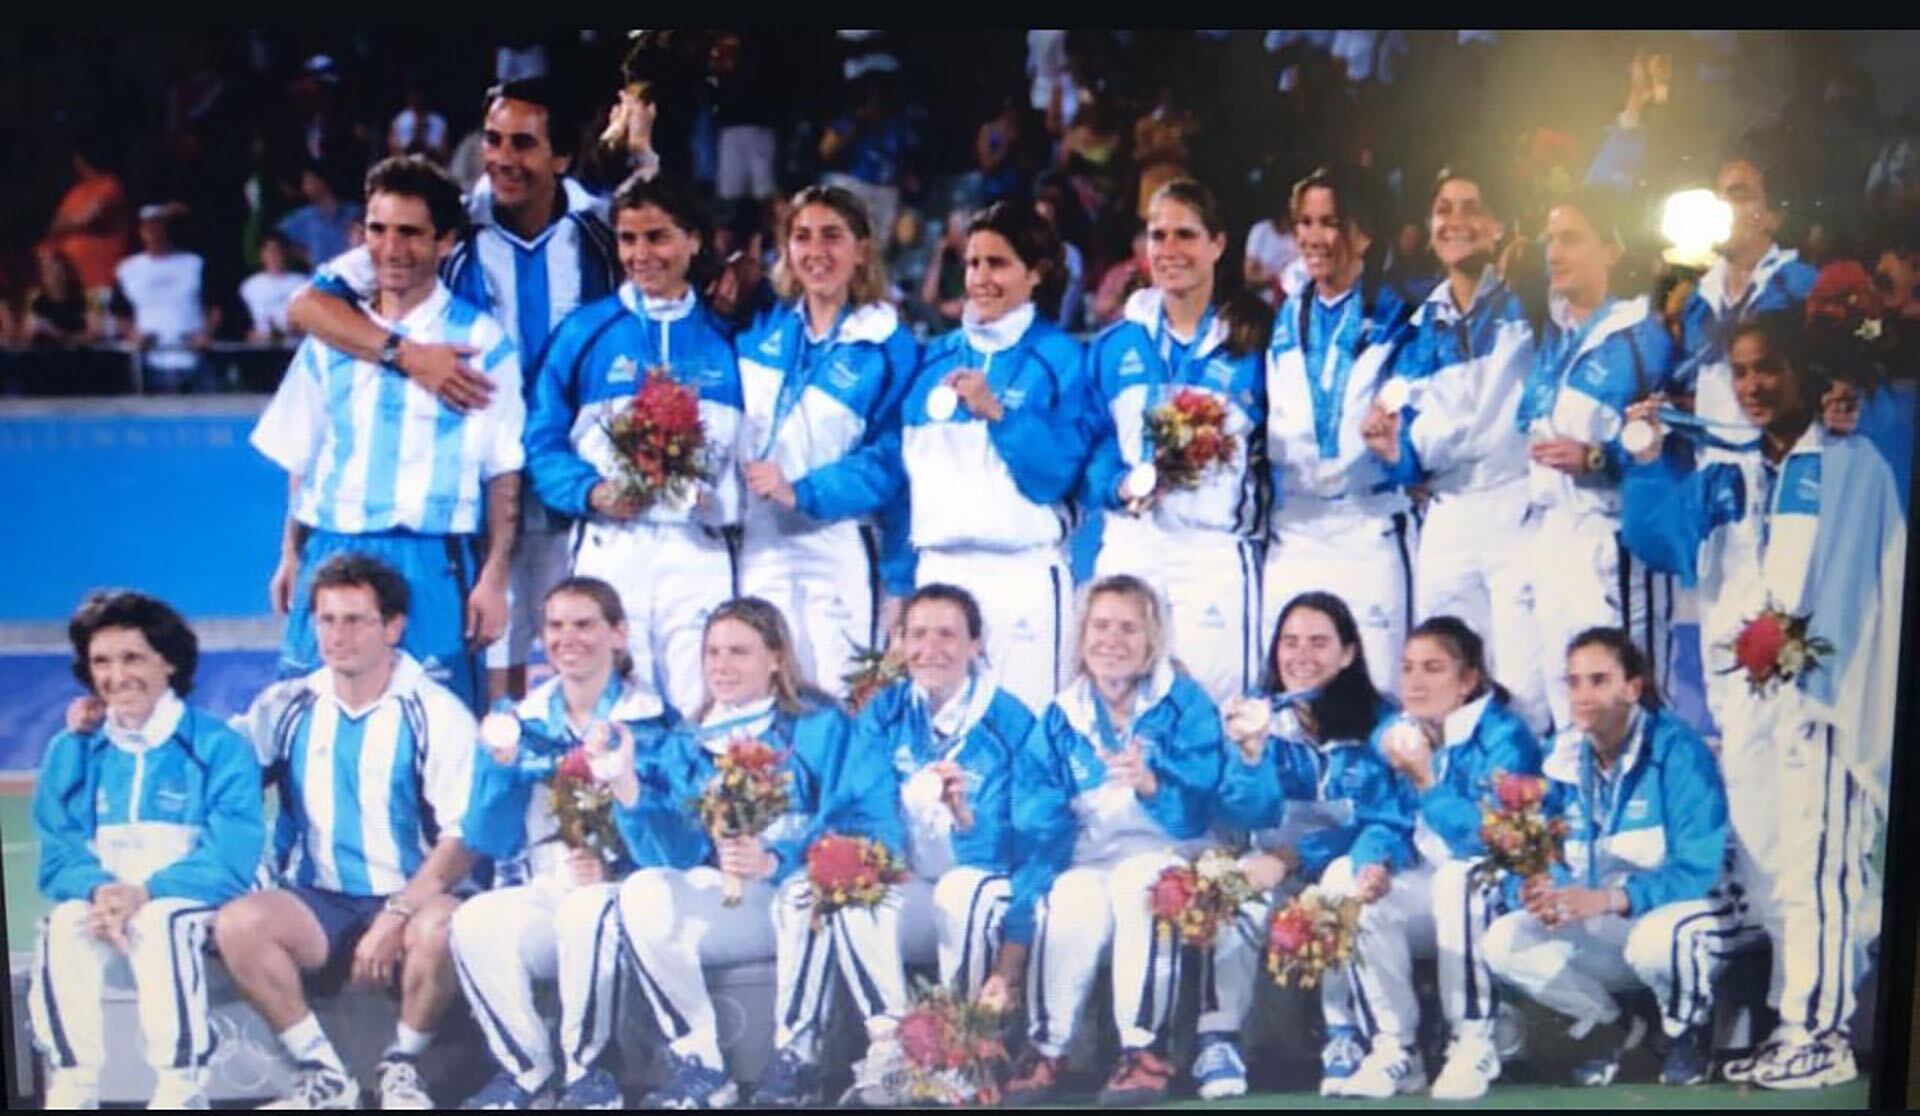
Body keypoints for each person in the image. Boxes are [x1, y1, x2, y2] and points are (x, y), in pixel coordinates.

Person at [1622, 314, 1902, 1090]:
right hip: (1745, 701)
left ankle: (1825, 1030)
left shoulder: (1852, 458)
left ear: (1807, 373)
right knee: (1776, 864)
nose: (1752, 387)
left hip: (1822, 696)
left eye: (1769, 369)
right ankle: (1792, 1020)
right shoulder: (1726, 468)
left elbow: (1870, 574)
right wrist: (1645, 458)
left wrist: (1859, 408)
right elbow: (1659, 543)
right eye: (1741, 372)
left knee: (1821, 866)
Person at [290, 78, 627, 709]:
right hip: (477, 487)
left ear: (560, 159)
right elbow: (307, 307)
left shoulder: (602, 234)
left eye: (523, 144)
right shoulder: (444, 227)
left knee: (586, 647)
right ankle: (496, 788)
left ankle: (582, 793)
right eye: (494, 140)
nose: (502, 158)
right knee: (493, 657)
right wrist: (407, 356)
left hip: (574, 481)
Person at [251, 155, 525, 713]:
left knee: (436, 736)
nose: (391, 248)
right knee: (309, 730)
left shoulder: (481, 341)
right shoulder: (333, 334)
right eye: (378, 229)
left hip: (431, 560)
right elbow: (305, 454)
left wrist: (494, 578)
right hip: (331, 549)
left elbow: (503, 474)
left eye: (409, 232)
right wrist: (290, 554)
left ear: (445, 243)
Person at [613, 598, 903, 1108]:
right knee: (641, 891)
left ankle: (797, 1060)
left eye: (739, 652)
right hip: (729, 902)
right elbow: (674, 853)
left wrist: (778, 859)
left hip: (795, 891)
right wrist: (627, 789)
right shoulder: (687, 740)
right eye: (713, 653)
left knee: (800, 891)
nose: (722, 666)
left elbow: (856, 819)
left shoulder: (819, 727)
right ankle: (698, 1063)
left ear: (776, 658)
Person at [217, 554, 480, 1109]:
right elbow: (211, 765)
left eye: (356, 620)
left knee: (444, 930)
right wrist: (119, 718)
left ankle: (401, 1067)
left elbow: (463, 840)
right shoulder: (287, 705)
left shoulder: (434, 711)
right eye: (327, 620)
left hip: (415, 897)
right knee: (240, 924)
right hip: (317, 900)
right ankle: (325, 1075)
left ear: (393, 627)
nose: (338, 635)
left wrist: (399, 912)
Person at [1482, 627, 1757, 1089]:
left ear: (1632, 687)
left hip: (1701, 910)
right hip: (1611, 917)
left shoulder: (1677, 751)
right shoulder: (1562, 757)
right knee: (1505, 941)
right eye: (1573, 682)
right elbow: (1535, 849)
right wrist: (1539, 888)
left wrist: (1610, 898)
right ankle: (1619, 1027)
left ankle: (1685, 1031)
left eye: (1598, 680)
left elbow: (1698, 868)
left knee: (1655, 940)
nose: (1582, 695)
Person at [449, 577, 682, 1108]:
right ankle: (525, 1070)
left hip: (629, 898)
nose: (567, 638)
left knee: (590, 910)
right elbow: (490, 836)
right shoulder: (519, 724)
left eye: (584, 625)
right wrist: (499, 772)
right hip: (549, 890)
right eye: (555, 626)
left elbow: (676, 844)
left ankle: (589, 1073)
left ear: (618, 635)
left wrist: (615, 860)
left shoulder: (655, 723)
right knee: (475, 920)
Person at [29, 592, 264, 1110]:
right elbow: (56, 851)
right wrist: (98, 890)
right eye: (101, 662)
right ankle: (74, 1085)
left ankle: (181, 1088)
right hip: (107, 908)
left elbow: (230, 861)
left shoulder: (217, 746)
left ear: (170, 661)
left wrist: (144, 893)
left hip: (196, 911)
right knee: (62, 926)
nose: (116, 676)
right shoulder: (73, 748)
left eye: (132, 657)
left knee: (161, 924)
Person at [997, 575, 1224, 1108]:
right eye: (1100, 626)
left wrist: (1152, 786)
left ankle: (1144, 1051)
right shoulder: (1061, 716)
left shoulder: (1184, 704)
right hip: (1090, 858)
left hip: (1170, 853)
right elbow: (1035, 817)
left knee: (1138, 883)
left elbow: (1208, 801)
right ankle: (1047, 1048)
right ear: (1080, 638)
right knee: (1071, 900)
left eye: (1128, 628)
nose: (1112, 640)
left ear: (1152, 642)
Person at [524, 174, 744, 720]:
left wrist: (721, 502)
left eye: (657, 237)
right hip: (610, 543)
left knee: (705, 703)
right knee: (611, 706)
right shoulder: (586, 333)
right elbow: (541, 440)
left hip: (700, 548)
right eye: (628, 239)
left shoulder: (731, 334)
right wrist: (591, 492)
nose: (641, 254)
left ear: (694, 241)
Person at [1362, 165, 1547, 732]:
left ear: (1497, 226)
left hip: (1517, 508)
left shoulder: (1529, 309)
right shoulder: (1418, 331)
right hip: (1447, 518)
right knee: (1444, 678)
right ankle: (1455, 813)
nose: (1456, 221)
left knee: (1522, 681)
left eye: (1472, 208)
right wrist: (1397, 456)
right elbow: (1406, 440)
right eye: (1444, 209)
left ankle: (1524, 815)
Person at [895, 201, 1096, 714]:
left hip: (1021, 577)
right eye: (973, 263)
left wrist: (1000, 416)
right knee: (940, 736)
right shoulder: (933, 357)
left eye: (998, 263)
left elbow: (1057, 477)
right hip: (939, 572)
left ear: (1035, 273)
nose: (981, 278)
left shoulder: (1062, 359)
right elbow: (908, 480)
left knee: (1027, 733)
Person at [1214, 591, 1411, 1099]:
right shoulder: (1253, 716)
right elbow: (1241, 815)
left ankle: (1342, 1035)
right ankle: (1218, 1037)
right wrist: (1252, 755)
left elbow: (1385, 818)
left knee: (1340, 883)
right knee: (1234, 891)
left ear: (1348, 653)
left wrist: (1295, 855)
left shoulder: (1383, 721)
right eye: (1290, 642)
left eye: (1319, 643)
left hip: (1345, 866)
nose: (1301, 656)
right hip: (1268, 868)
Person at [1085, 178, 1270, 706]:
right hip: (1131, 541)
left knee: (1214, 706)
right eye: (1157, 235)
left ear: (1217, 244)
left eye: (1185, 235)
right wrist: (1119, 486)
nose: (1169, 250)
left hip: (1211, 551)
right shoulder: (1116, 343)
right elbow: (1094, 443)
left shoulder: (1253, 341)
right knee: (1115, 702)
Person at [734, 185, 919, 696]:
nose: (816, 252)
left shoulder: (887, 344)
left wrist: (803, 490)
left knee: (836, 696)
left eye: (832, 237)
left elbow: (892, 462)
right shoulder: (759, 328)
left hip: (836, 542)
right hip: (759, 540)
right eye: (802, 237)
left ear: (861, 249)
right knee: (761, 695)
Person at [1362, 615, 1545, 1100]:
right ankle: (1396, 1047)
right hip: (1432, 885)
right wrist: (1373, 861)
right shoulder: (1396, 733)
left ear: (1467, 681)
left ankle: (1473, 1038)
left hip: (1504, 890)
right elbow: (1382, 818)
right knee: (1348, 883)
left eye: (1433, 668)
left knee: (1457, 879)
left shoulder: (1505, 736)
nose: (1416, 682)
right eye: (1407, 668)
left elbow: (1492, 840)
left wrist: (1426, 780)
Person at [1517, 187, 1679, 730]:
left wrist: (1594, 458)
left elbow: (1667, 442)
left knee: (1631, 704)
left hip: (1612, 541)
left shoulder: (1640, 337)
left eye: (1570, 239)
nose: (1553, 254)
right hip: (1554, 542)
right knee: (1566, 708)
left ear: (1611, 249)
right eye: (1549, 241)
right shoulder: (1555, 338)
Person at [1263, 166, 1415, 697]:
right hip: (1295, 529)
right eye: (1304, 222)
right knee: (1290, 692)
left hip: (1366, 526)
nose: (1312, 237)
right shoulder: (1278, 317)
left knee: (1376, 686)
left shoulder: (1401, 316)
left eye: (1329, 223)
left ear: (1363, 233)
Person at [852, 584, 1030, 995]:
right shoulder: (885, 711)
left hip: (985, 883)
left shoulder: (1010, 721)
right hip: (909, 878)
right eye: (917, 635)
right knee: (853, 901)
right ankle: (890, 1036)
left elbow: (1025, 833)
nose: (930, 648)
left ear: (974, 645)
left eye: (946, 635)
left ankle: (962, 1037)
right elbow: (865, 798)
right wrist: (890, 859)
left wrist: (967, 822)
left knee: (960, 891)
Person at [111, 203, 220, 393]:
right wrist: (132, 335)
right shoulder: (128, 269)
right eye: (148, 227)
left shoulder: (194, 264)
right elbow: (119, 312)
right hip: (149, 360)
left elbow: (214, 307)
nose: (153, 233)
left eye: (158, 226)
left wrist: (206, 334)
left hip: (193, 356)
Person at [278, 162, 364, 272]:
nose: (304, 187)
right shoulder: (304, 217)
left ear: (321, 182)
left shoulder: (353, 212)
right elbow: (277, 237)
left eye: (308, 182)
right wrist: (305, 256)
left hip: (352, 278)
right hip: (320, 281)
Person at [241, 232, 311, 345]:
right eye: (269, 251)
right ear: (261, 254)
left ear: (286, 253)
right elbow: (244, 324)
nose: (273, 255)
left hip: (294, 347)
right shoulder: (249, 286)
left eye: (278, 251)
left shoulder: (303, 283)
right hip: (260, 347)